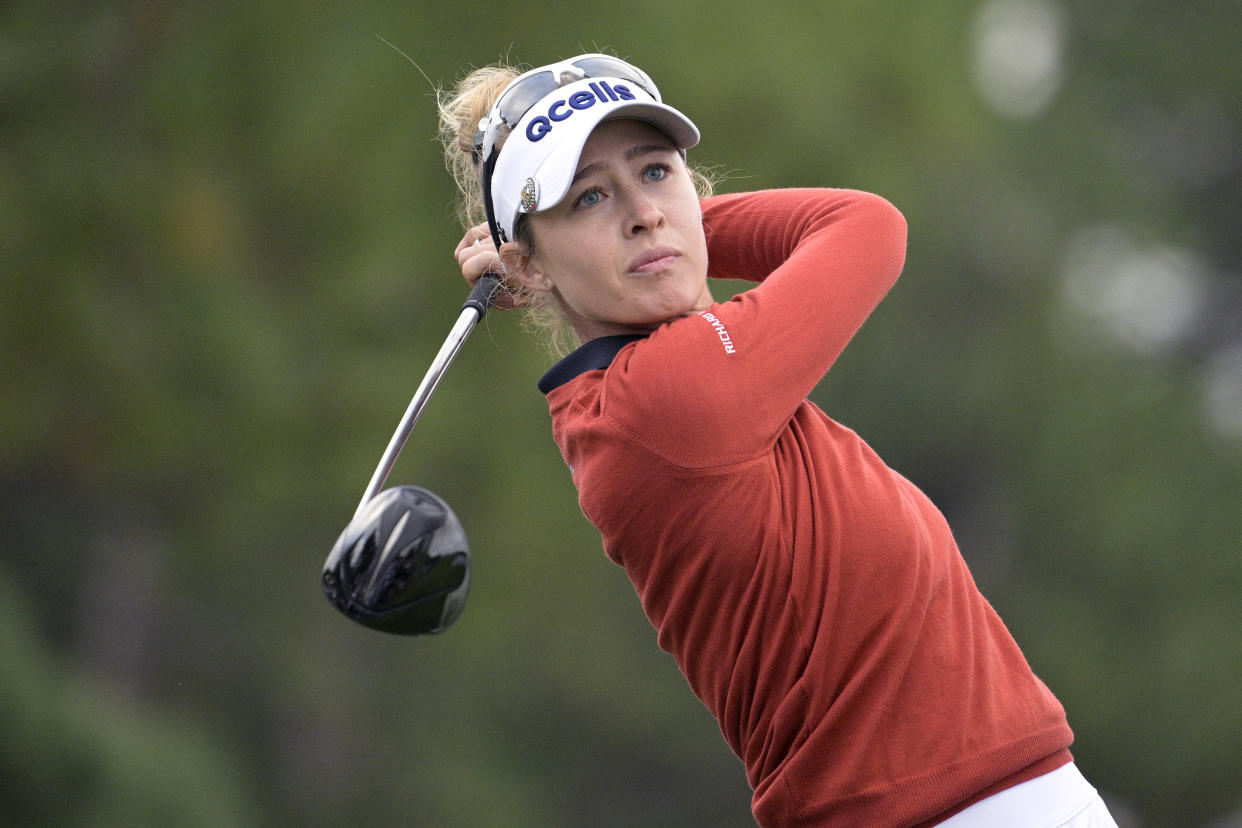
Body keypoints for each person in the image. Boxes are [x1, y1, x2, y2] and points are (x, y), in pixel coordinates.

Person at [437, 53, 1118, 828]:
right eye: (589, 196)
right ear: (523, 261)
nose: (643, 212)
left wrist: (608, 247)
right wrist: (670, 236)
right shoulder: (672, 399)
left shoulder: (640, 400)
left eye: (656, 172)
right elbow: (866, 227)